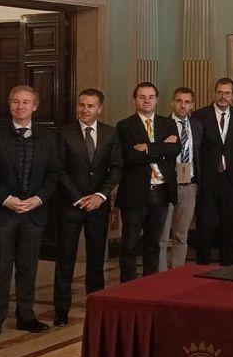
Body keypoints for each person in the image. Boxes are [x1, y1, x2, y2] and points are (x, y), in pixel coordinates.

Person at [0, 85, 60, 343]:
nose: (20, 106)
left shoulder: (48, 138)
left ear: (35, 106)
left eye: (25, 102)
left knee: (27, 267)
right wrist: (8, 200)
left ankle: (26, 316)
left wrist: (37, 200)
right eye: (15, 102)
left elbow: (54, 173)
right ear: (9, 105)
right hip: (0, 214)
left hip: (33, 214)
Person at [53, 88, 122, 326]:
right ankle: (61, 311)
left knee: (95, 260)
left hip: (98, 206)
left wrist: (100, 196)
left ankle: (96, 306)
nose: (85, 109)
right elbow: (58, 169)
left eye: (90, 106)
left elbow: (116, 168)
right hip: (70, 206)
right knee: (65, 260)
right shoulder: (64, 133)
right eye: (82, 105)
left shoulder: (110, 134)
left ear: (99, 109)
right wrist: (79, 197)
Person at [116, 82, 180, 281]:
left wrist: (148, 148)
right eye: (142, 97)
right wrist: (161, 148)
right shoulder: (125, 125)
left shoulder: (167, 123)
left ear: (157, 99)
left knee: (154, 244)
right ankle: (127, 288)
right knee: (130, 245)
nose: (146, 101)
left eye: (151, 97)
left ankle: (149, 287)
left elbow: (175, 150)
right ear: (135, 99)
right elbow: (130, 157)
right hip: (135, 194)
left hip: (161, 192)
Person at [193, 77, 233, 266]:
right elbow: (196, 148)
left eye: (227, 93)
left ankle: (227, 264)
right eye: (220, 92)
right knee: (204, 224)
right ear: (214, 93)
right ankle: (204, 263)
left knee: (229, 224)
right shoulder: (200, 115)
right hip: (207, 178)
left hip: (231, 178)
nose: (223, 96)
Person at [161, 87, 202, 270]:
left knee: (181, 234)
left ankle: (176, 273)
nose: (183, 105)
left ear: (192, 105)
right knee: (162, 235)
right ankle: (160, 275)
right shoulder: (161, 124)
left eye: (187, 102)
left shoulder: (197, 125)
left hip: (189, 185)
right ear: (172, 102)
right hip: (166, 185)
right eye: (179, 101)